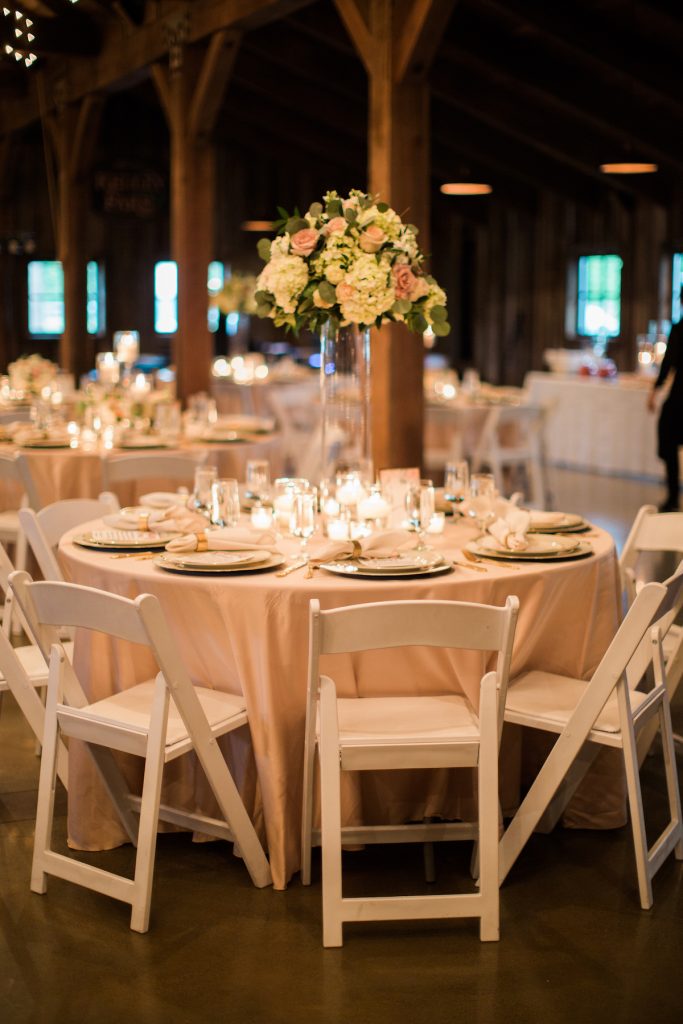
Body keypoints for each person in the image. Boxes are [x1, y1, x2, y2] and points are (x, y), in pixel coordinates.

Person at [647, 304, 683, 512]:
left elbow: (669, 362)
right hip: (679, 394)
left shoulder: (680, 328)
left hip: (680, 396)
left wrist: (655, 390)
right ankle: (672, 496)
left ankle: (672, 497)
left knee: (668, 440)